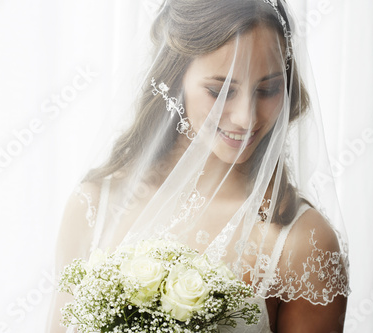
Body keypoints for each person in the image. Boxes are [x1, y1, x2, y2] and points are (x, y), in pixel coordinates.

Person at [46, 0, 350, 332]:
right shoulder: (94, 205)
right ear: (175, 80)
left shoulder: (301, 241)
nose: (246, 118)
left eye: (268, 89)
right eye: (220, 91)